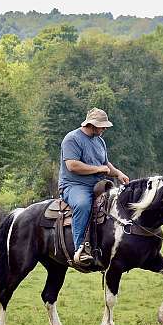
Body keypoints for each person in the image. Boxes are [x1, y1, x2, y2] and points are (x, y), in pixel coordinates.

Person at [58, 107, 129, 265]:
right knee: (83, 205)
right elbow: (72, 165)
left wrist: (118, 173)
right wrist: (99, 169)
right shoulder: (72, 139)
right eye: (102, 126)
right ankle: (80, 249)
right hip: (74, 185)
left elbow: (105, 164)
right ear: (91, 124)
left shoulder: (99, 140)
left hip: (97, 184)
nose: (104, 128)